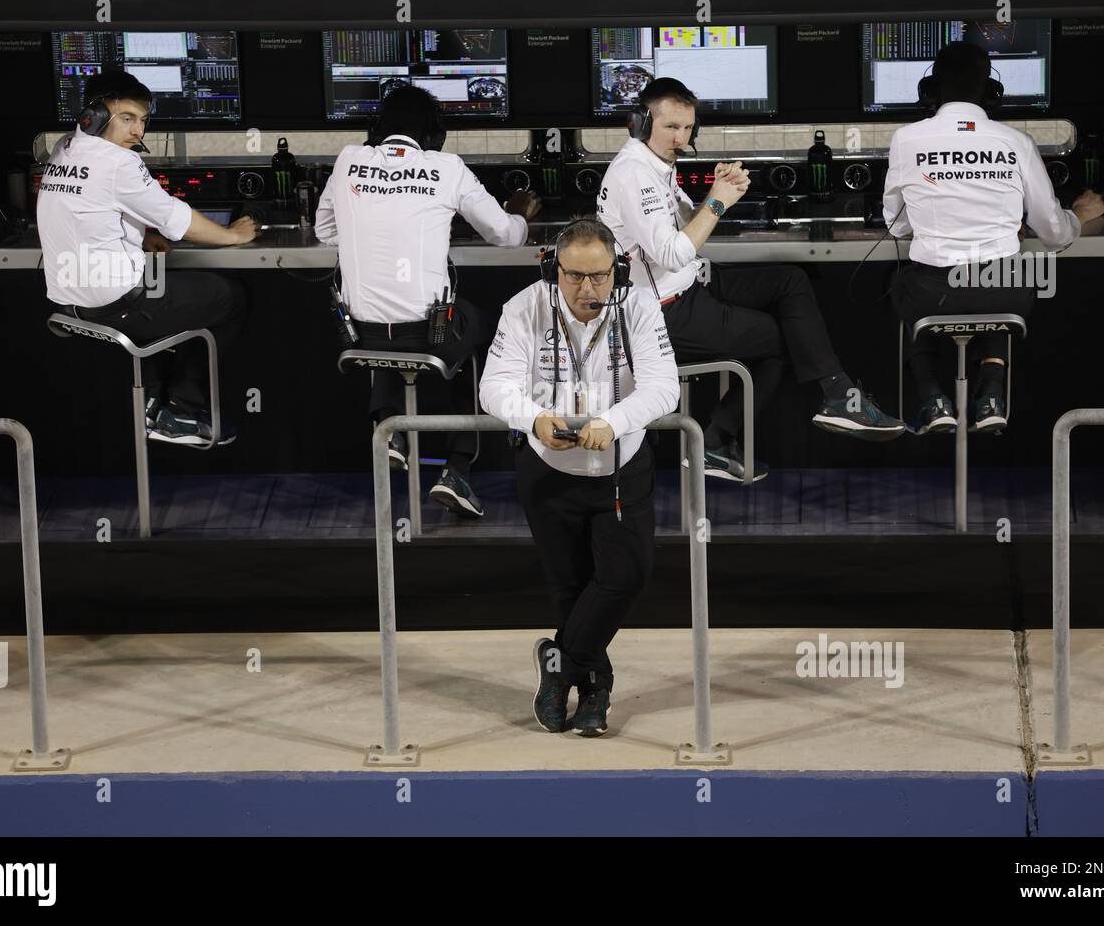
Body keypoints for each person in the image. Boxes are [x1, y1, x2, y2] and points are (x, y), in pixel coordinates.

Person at [598, 77, 903, 483]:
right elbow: (671, 252)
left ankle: (836, 395)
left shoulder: (656, 166)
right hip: (661, 313)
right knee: (780, 339)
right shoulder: (634, 174)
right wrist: (720, 200)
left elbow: (687, 222)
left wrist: (717, 191)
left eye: (688, 128)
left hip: (688, 284)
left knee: (790, 280)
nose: (681, 137)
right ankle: (714, 442)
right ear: (638, 123)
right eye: (671, 127)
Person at [479, 218, 680, 736]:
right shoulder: (524, 307)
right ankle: (596, 691)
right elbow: (494, 386)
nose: (588, 289)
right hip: (549, 471)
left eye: (600, 276)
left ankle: (557, 662)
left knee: (626, 575)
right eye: (574, 277)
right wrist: (532, 418)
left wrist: (611, 423)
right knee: (570, 588)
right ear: (553, 269)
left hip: (619, 468)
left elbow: (663, 390)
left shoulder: (637, 306)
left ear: (619, 269)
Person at [314, 85, 541, 517]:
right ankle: (457, 470)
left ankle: (388, 427)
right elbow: (507, 236)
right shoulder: (447, 167)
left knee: (386, 329)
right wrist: (518, 214)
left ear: (373, 130)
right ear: (437, 137)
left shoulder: (348, 160)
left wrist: (376, 227)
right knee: (475, 331)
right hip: (431, 339)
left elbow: (326, 232)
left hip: (359, 335)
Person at [882, 41, 1104, 433]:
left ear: (930, 92)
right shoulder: (1015, 142)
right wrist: (1079, 215)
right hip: (1008, 293)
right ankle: (990, 394)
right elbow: (1054, 233)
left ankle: (933, 397)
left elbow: (896, 226)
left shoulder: (906, 140)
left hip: (933, 293)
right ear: (991, 93)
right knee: (997, 277)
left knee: (899, 283)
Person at [38, 69, 254, 446]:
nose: (139, 130)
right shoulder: (120, 163)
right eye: (127, 118)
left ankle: (154, 400)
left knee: (165, 290)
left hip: (68, 305)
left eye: (143, 120)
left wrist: (144, 235)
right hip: (117, 306)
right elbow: (180, 220)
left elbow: (92, 209)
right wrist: (232, 235)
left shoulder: (64, 149)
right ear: (95, 115)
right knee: (229, 296)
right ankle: (181, 411)